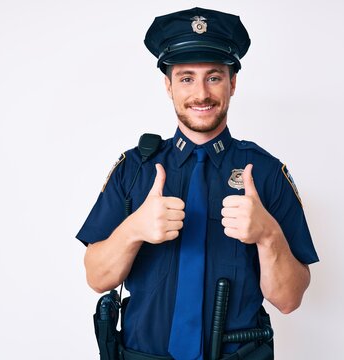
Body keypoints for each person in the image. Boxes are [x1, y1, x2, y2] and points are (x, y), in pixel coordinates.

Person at [77, 7, 319, 360]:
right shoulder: (134, 168)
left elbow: (290, 299)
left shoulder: (265, 173)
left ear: (233, 83)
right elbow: (97, 278)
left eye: (214, 77)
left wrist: (269, 235)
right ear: (168, 85)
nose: (201, 93)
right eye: (187, 78)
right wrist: (134, 229)